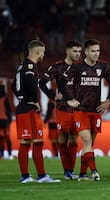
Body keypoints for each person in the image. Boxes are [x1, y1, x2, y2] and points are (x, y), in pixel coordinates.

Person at [66, 39, 110, 181]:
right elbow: (64, 84)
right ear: (86, 52)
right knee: (87, 140)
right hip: (80, 111)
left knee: (90, 144)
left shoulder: (103, 66)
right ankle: (94, 172)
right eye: (93, 51)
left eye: (98, 51)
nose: (96, 54)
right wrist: (70, 99)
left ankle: (82, 174)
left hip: (96, 110)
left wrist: (108, 100)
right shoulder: (77, 68)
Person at [11, 40, 61, 183]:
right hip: (29, 110)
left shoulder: (21, 66)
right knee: (36, 141)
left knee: (26, 142)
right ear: (37, 52)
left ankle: (26, 176)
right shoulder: (31, 67)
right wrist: (34, 101)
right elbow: (31, 85)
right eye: (43, 52)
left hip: (22, 108)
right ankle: (41, 176)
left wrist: (21, 98)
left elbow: (14, 86)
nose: (43, 55)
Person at [39, 40, 82, 180]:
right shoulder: (57, 67)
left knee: (74, 140)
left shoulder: (80, 67)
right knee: (62, 138)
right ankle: (67, 171)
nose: (77, 54)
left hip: (77, 109)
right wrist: (52, 95)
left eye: (79, 51)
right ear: (67, 51)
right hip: (63, 108)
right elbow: (42, 83)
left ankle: (71, 170)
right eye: (75, 51)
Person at [0, 84, 13, 160]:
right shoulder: (6, 99)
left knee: (5, 138)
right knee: (4, 138)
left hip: (4, 121)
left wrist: (9, 121)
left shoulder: (5, 99)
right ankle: (6, 154)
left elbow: (9, 112)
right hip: (5, 121)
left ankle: (7, 154)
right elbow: (9, 112)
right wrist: (9, 120)